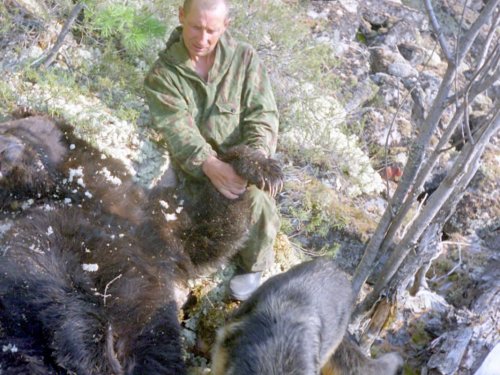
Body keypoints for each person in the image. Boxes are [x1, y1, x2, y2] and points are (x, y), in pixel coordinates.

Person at [143, 0, 280, 301]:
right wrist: (209, 164)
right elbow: (176, 128)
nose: (202, 39)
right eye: (195, 27)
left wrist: (252, 161)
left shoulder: (245, 60)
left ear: (225, 26)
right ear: (181, 16)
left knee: (258, 200)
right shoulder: (163, 75)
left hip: (241, 163)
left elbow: (263, 115)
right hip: (194, 171)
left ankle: (253, 268)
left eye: (211, 31)